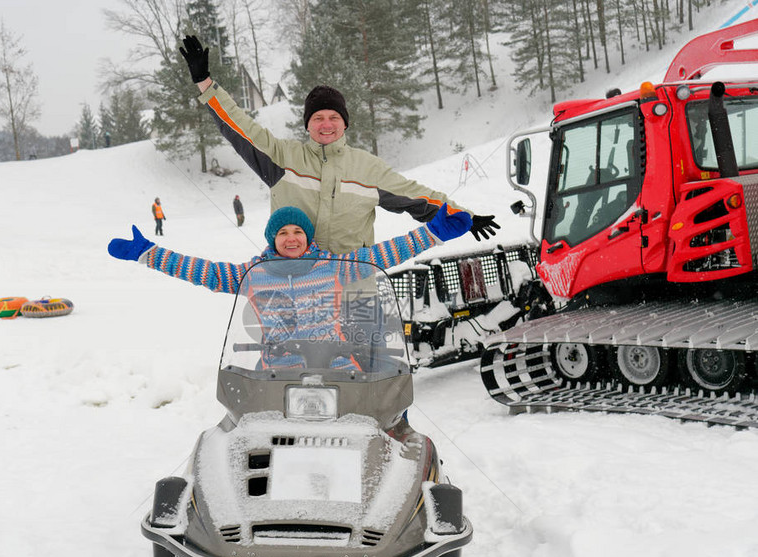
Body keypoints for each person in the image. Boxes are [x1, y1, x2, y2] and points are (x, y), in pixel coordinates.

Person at [178, 35, 500, 255]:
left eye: (334, 116)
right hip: (295, 285)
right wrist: (204, 82)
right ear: (308, 124)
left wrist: (465, 216)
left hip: (354, 288)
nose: (326, 124)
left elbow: (418, 198)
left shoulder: (367, 168)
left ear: (345, 122)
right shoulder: (282, 158)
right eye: (318, 118)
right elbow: (238, 126)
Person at [109, 203, 473, 369]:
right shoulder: (254, 273)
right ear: (272, 239)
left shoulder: (332, 267)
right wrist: (150, 254)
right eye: (283, 232)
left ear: (307, 237)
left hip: (337, 368)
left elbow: (383, 254)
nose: (292, 237)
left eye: (298, 231)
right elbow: (200, 270)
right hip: (275, 373)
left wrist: (433, 232)